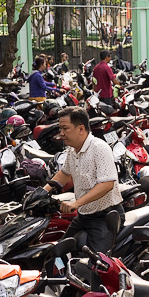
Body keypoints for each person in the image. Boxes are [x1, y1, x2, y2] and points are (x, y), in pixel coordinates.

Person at [43, 107, 123, 253]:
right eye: (60, 128)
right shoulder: (72, 151)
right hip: (84, 216)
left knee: (97, 266)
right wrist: (41, 193)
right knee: (58, 253)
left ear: (81, 129)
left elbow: (107, 184)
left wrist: (76, 203)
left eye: (65, 128)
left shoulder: (99, 148)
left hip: (104, 217)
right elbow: (64, 173)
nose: (61, 133)